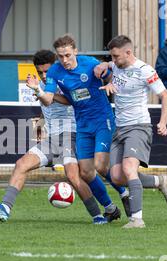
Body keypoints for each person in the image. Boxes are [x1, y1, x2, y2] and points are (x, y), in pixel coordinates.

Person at [0, 50, 113, 225]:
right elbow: (47, 106)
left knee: (73, 175)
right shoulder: (41, 84)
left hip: (72, 134)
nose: (44, 76)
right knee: (21, 164)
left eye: (46, 71)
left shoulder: (63, 80)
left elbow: (68, 100)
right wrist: (41, 124)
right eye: (40, 72)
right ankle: (5, 207)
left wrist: (40, 91)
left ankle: (98, 215)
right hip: (52, 138)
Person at [26, 34, 130, 219]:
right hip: (82, 124)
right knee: (86, 172)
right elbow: (49, 99)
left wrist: (107, 73)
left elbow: (111, 76)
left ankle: (125, 193)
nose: (64, 60)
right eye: (60, 56)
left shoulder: (90, 64)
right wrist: (37, 90)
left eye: (67, 55)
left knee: (100, 166)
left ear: (75, 51)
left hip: (102, 120)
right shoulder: (54, 72)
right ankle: (110, 208)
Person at [98, 35, 167, 229]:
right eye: (111, 57)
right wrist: (104, 67)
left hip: (138, 126)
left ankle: (137, 219)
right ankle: (159, 181)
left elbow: (166, 97)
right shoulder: (115, 65)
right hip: (119, 127)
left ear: (128, 53)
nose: (114, 60)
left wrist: (163, 123)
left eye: (116, 56)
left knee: (129, 170)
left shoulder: (145, 70)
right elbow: (102, 68)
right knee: (116, 176)